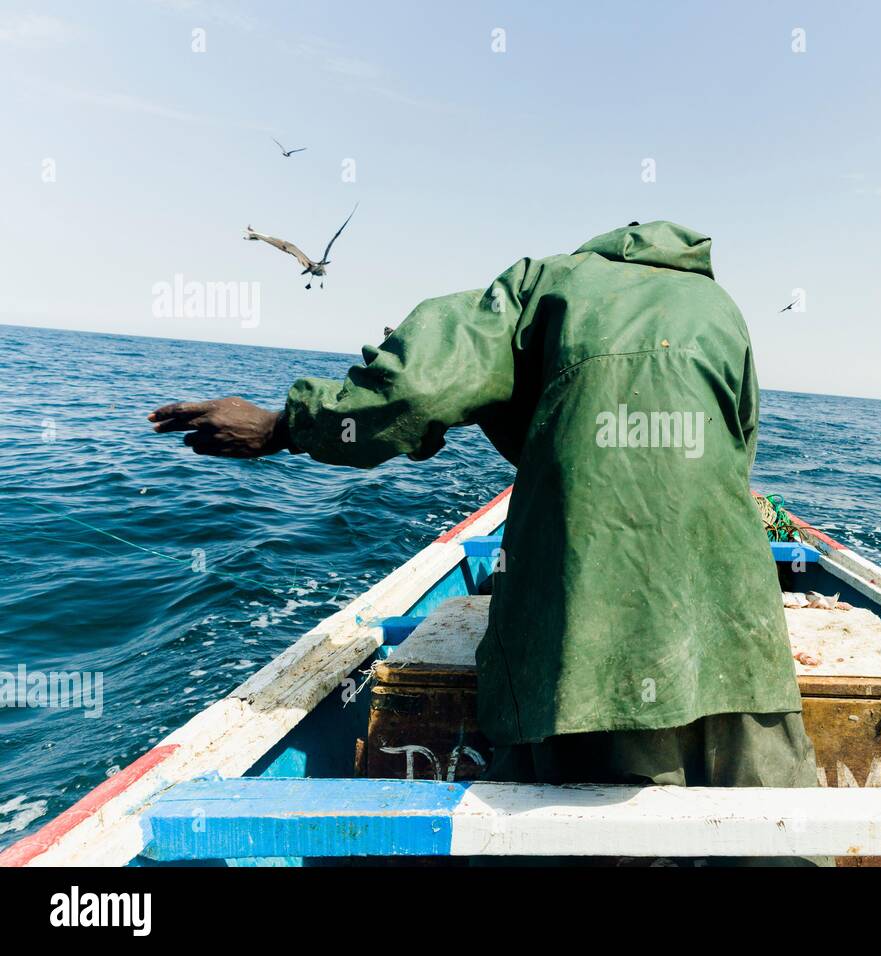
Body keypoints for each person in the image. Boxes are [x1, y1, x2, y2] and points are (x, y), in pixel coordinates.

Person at [149, 221, 820, 853]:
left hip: (589, 636)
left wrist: (280, 427)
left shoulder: (544, 284)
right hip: (739, 639)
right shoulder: (717, 306)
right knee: (773, 840)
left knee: (574, 835)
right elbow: (737, 447)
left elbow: (413, 391)